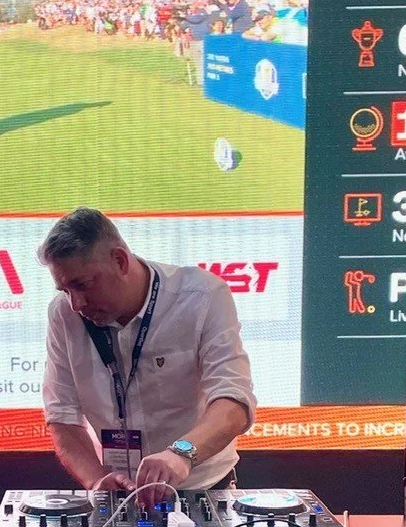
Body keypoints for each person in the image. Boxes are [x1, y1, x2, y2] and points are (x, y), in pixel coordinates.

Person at [39, 208, 256, 510]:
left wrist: (181, 454)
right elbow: (62, 417)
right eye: (65, 290)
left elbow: (233, 403)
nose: (76, 304)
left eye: (83, 285)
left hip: (202, 490)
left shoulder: (203, 297)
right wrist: (96, 481)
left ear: (120, 260)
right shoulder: (63, 314)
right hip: (117, 499)